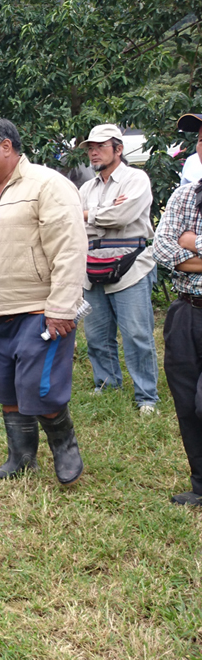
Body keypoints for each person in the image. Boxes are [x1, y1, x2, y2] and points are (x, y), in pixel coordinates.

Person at [0, 118, 87, 485]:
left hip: (39, 308)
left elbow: (69, 248)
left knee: (39, 389)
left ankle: (65, 445)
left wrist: (62, 307)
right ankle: (20, 459)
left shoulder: (47, 185)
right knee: (8, 390)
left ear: (6, 147)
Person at [77, 124, 159, 415]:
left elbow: (122, 216)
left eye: (99, 146)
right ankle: (106, 384)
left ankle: (147, 396)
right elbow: (72, 220)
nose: (93, 152)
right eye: (90, 147)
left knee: (137, 335)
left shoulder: (136, 179)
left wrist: (90, 214)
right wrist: (103, 214)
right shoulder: (87, 187)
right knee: (97, 335)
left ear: (119, 149)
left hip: (131, 262)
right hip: (91, 264)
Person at [153, 111, 202, 506]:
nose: (201, 143)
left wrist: (194, 244)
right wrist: (183, 248)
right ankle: (201, 485)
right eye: (200, 137)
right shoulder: (186, 194)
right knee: (186, 402)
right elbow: (163, 249)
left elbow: (181, 249)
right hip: (186, 311)